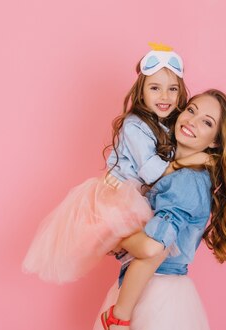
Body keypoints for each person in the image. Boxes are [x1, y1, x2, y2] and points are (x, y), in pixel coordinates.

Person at [70, 89, 226, 330]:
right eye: (192, 110)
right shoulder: (169, 169)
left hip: (157, 299)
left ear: (214, 142)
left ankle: (119, 318)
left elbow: (153, 247)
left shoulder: (186, 182)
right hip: (143, 290)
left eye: (206, 121)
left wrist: (114, 231)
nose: (193, 120)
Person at [22, 43, 207, 283]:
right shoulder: (135, 126)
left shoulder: (169, 124)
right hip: (121, 192)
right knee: (148, 247)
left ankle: (124, 265)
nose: (165, 97)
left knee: (155, 248)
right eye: (155, 88)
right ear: (141, 93)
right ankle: (111, 239)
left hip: (139, 194)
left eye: (172, 89)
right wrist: (193, 159)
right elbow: (153, 171)